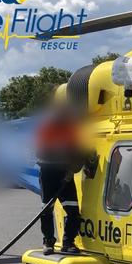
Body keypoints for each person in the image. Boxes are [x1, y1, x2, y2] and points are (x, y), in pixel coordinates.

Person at [35, 102, 84, 255]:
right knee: (46, 210)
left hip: (65, 174)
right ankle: (48, 242)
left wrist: (75, 166)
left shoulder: (71, 128)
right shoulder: (46, 128)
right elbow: (41, 152)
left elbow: (78, 151)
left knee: (73, 210)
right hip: (49, 173)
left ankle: (68, 242)